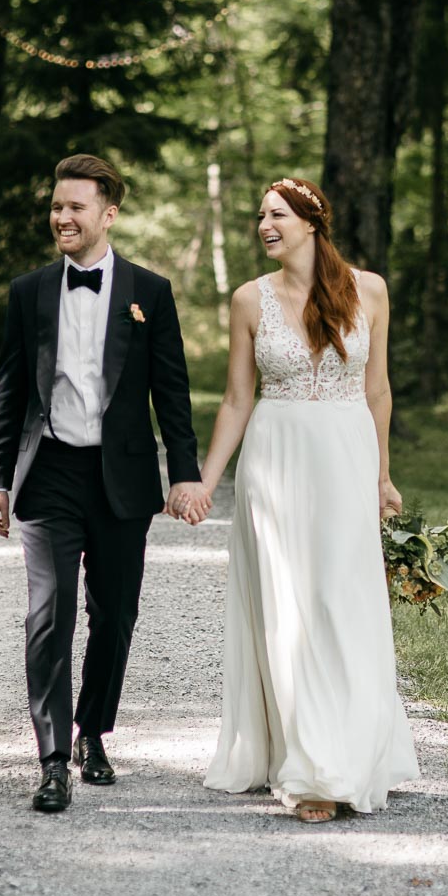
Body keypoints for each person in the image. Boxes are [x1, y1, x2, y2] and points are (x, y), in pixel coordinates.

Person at [177, 175, 419, 822]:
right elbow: (236, 399)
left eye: (277, 214)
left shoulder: (368, 290)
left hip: (345, 456)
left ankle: (352, 744)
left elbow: (377, 391)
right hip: (275, 460)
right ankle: (311, 768)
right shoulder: (248, 301)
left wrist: (383, 477)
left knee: (341, 603)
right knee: (288, 609)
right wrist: (205, 479)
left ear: (312, 221)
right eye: (260, 215)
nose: (265, 225)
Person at [0, 153, 210, 813]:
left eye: (75, 207)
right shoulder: (29, 293)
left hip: (122, 478)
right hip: (48, 473)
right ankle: (52, 759)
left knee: (114, 614)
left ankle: (92, 732)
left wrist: (185, 474)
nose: (62, 216)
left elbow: (172, 392)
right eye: (57, 206)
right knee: (47, 616)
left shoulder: (150, 293)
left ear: (109, 214)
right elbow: (11, 390)